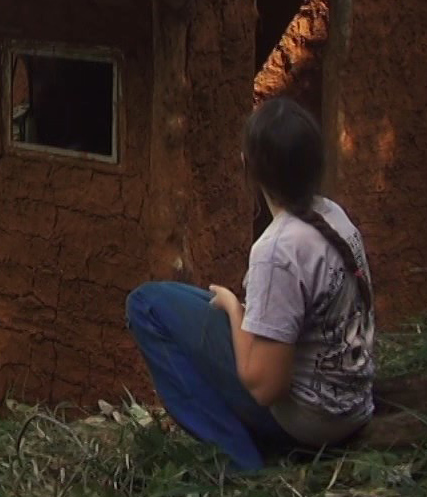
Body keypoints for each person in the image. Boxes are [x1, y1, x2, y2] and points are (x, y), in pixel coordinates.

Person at [125, 97, 376, 470]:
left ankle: (240, 462)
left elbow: (265, 387)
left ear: (249, 167)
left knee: (145, 306)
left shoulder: (278, 250)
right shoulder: (332, 215)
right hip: (351, 405)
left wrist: (234, 308)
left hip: (310, 422)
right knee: (180, 299)